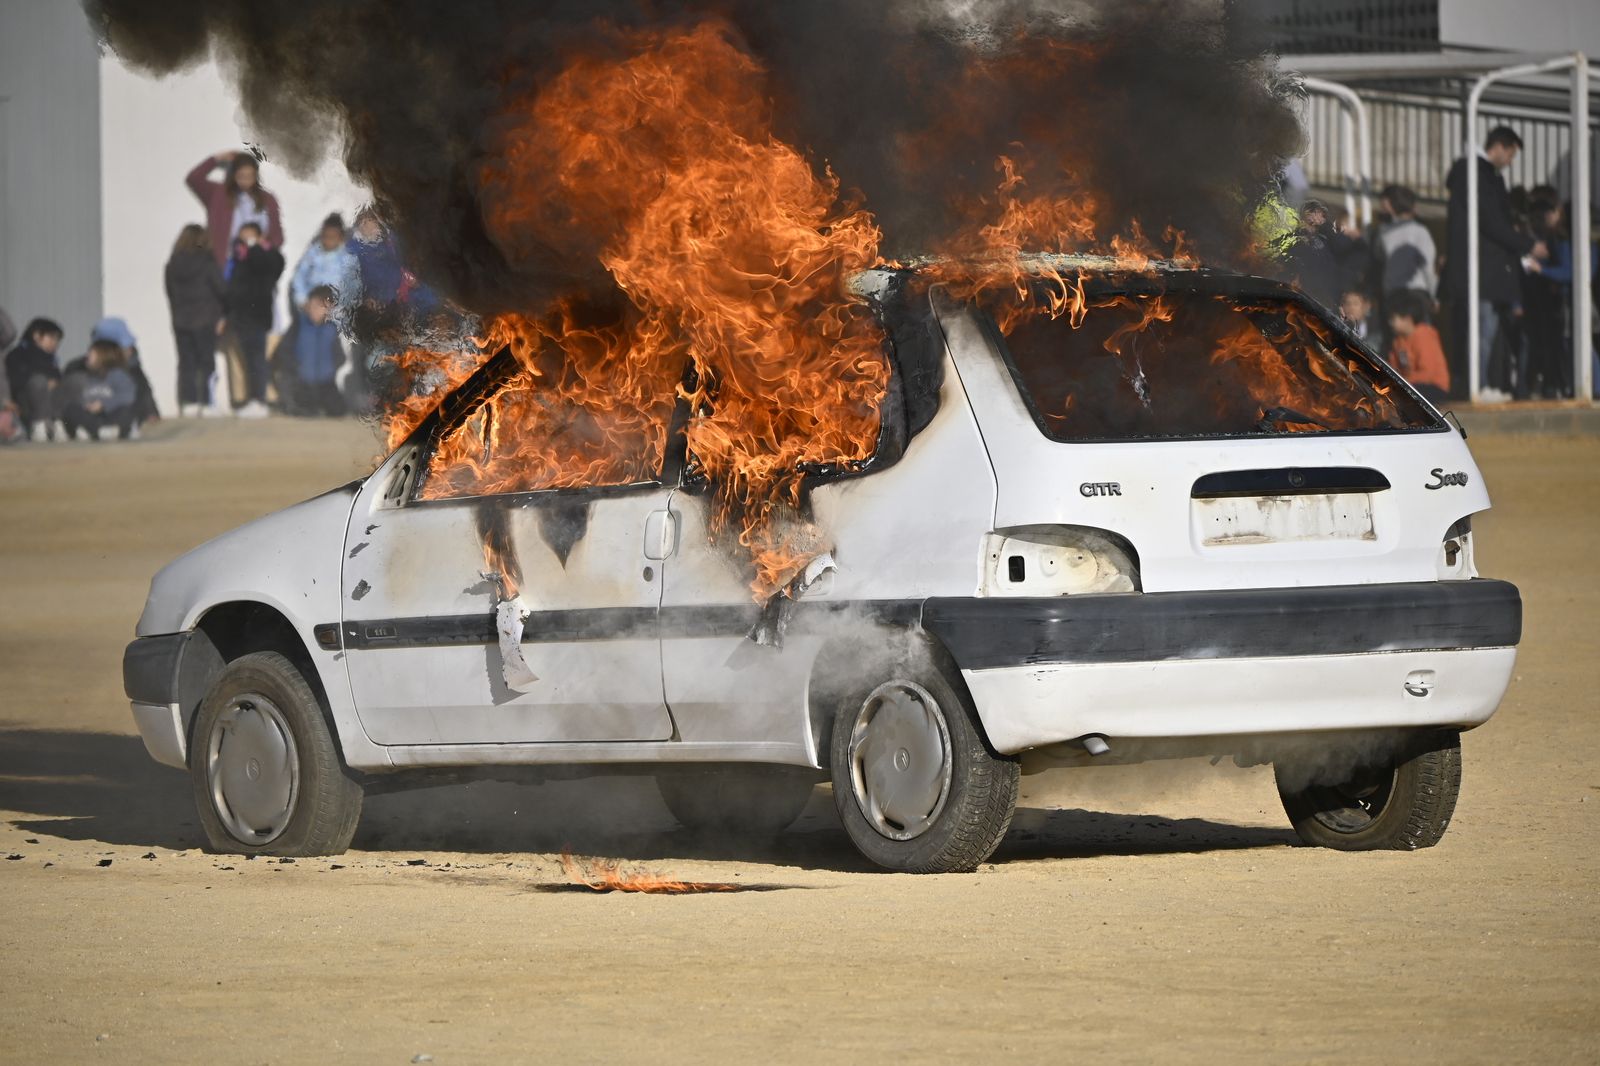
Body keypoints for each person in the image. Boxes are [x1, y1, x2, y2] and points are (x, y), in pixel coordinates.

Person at [1443, 126, 1547, 401]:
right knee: (1483, 330)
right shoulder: (1477, 173)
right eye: (1511, 154)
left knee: (1483, 329)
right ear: (1499, 146)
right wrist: (1526, 244)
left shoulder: (1473, 173)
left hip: (1480, 268)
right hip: (1481, 269)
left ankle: (1480, 384)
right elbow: (1491, 221)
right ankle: (1477, 387)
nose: (1511, 162)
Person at [223, 221, 285, 417]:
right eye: (243, 236)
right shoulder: (238, 257)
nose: (245, 240)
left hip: (258, 316)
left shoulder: (269, 255)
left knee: (258, 359)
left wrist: (255, 247)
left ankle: (260, 400)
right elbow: (231, 287)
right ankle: (253, 399)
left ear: (259, 236)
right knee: (249, 361)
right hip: (241, 318)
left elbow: (269, 268)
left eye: (250, 235)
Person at [165, 223, 226, 416]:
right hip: (205, 319)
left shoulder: (172, 264)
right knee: (206, 362)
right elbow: (221, 290)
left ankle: (189, 403)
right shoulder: (207, 262)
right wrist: (223, 314)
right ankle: (207, 403)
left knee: (186, 363)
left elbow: (170, 293)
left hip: (181, 320)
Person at [185, 150, 284, 268]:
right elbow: (193, 179)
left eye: (250, 176)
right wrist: (216, 159)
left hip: (257, 266)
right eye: (241, 176)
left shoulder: (268, 200)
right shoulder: (218, 194)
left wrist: (264, 243)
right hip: (225, 265)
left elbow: (278, 237)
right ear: (233, 175)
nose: (246, 181)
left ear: (256, 175)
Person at [275, 285, 346, 416]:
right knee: (306, 411)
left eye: (320, 306)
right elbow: (283, 351)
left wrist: (330, 369)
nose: (315, 310)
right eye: (313, 305)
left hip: (325, 384)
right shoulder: (298, 324)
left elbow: (340, 356)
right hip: (302, 383)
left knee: (339, 410)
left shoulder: (331, 329)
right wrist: (295, 368)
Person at [1277, 199, 1361, 309]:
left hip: (1330, 302)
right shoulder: (1294, 240)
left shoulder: (1328, 239)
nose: (1317, 217)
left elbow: (1344, 256)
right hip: (1306, 301)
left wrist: (1325, 226)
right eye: (1314, 212)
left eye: (1319, 214)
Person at [57, 339, 138, 441]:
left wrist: (103, 405)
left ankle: (98, 431)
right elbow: (78, 398)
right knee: (71, 409)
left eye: (91, 353)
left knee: (126, 412)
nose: (87, 356)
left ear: (104, 356)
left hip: (110, 415)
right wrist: (86, 405)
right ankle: (98, 431)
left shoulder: (117, 375)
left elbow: (127, 396)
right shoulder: (85, 376)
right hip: (92, 418)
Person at [1372, 184, 1437, 306]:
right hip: (1417, 292)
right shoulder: (1420, 231)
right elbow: (1428, 267)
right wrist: (1434, 296)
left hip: (1392, 292)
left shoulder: (1383, 231)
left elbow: (1378, 255)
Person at [87, 317, 159, 427]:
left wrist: (151, 412)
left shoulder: (133, 366)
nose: (129, 350)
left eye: (129, 346)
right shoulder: (89, 368)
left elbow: (143, 389)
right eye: (124, 347)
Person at [5, 317, 65, 442]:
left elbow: (58, 378)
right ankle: (39, 425)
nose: (55, 342)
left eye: (57, 339)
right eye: (52, 337)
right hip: (27, 406)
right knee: (38, 381)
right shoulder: (17, 354)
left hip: (50, 404)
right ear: (37, 335)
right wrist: (44, 383)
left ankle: (57, 424)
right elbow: (15, 383)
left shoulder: (51, 359)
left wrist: (54, 383)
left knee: (65, 384)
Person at [1387, 290, 1450, 405]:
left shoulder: (1423, 335)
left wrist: (1404, 381)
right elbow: (1394, 368)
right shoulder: (1398, 341)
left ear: (1408, 319)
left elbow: (1428, 373)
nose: (1391, 323)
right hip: (1410, 384)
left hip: (1433, 386)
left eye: (1394, 319)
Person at [1338, 288, 1385, 355]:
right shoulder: (1339, 325)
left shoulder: (1377, 329)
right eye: (1347, 303)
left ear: (1366, 306)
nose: (1351, 308)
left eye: (1355, 303)